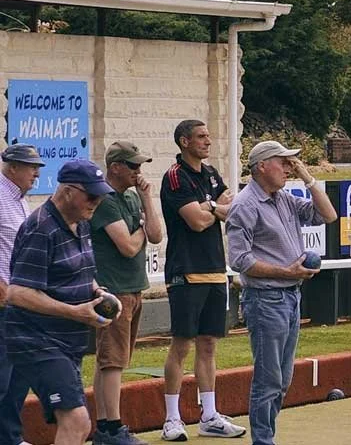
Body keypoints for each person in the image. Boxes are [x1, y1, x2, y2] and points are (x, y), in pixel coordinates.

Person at [226, 141, 337, 445]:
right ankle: (263, 440)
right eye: (283, 162)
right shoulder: (245, 204)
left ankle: (267, 436)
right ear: (262, 166)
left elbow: (328, 215)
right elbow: (240, 260)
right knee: (269, 378)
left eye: (292, 163)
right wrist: (286, 272)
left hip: (290, 297)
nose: (289, 168)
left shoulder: (284, 199)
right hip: (265, 299)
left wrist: (308, 178)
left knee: (283, 379)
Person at [1, 161, 117, 445]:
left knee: (78, 422)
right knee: (76, 420)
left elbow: (80, 272)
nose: (97, 202)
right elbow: (18, 292)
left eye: (101, 196)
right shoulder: (40, 229)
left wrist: (99, 293)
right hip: (36, 338)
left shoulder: (81, 223)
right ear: (67, 191)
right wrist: (76, 312)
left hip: (67, 341)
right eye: (91, 196)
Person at [159, 119, 245, 440]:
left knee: (209, 344)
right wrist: (213, 207)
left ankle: (209, 416)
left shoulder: (210, 173)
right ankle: (172, 420)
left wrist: (211, 207)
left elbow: (233, 208)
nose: (208, 141)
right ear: (184, 141)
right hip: (185, 271)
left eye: (208, 136)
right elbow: (195, 222)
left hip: (215, 269)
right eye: (201, 137)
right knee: (182, 344)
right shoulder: (175, 177)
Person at [91, 142, 166, 445]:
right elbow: (129, 246)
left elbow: (157, 235)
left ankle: (103, 426)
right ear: (115, 167)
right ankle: (111, 427)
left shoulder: (134, 198)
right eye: (133, 166)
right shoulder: (105, 201)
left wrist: (147, 199)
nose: (139, 172)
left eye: (140, 166)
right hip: (114, 291)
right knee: (113, 361)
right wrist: (143, 229)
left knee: (109, 360)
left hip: (134, 287)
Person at [0, 144, 45, 445]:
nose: (37, 173)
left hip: (19, 302)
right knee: (2, 379)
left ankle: (10, 438)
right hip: (3, 300)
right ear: (12, 167)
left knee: (18, 379)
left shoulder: (18, 200)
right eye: (31, 167)